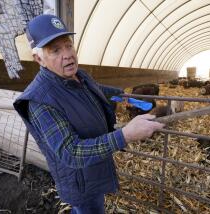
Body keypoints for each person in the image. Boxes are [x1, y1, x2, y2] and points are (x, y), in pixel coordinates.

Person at [13, 14, 165, 214]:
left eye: (68, 45)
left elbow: (96, 89)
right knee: (90, 209)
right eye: (55, 50)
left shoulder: (78, 75)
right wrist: (125, 135)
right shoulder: (40, 101)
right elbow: (71, 152)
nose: (67, 54)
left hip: (93, 169)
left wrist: (122, 96)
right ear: (39, 58)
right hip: (80, 181)